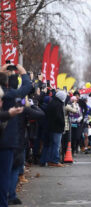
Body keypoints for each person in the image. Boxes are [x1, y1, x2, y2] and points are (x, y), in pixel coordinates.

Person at [0, 64, 32, 207]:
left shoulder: (7, 94)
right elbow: (26, 88)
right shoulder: (13, 95)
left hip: (8, 140)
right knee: (4, 175)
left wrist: (1, 71)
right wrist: (23, 73)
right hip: (7, 141)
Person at [45, 90, 67, 167]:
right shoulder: (58, 104)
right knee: (56, 145)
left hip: (51, 127)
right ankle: (54, 160)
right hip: (57, 128)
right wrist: (63, 123)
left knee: (52, 144)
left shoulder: (52, 102)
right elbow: (59, 117)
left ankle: (50, 160)